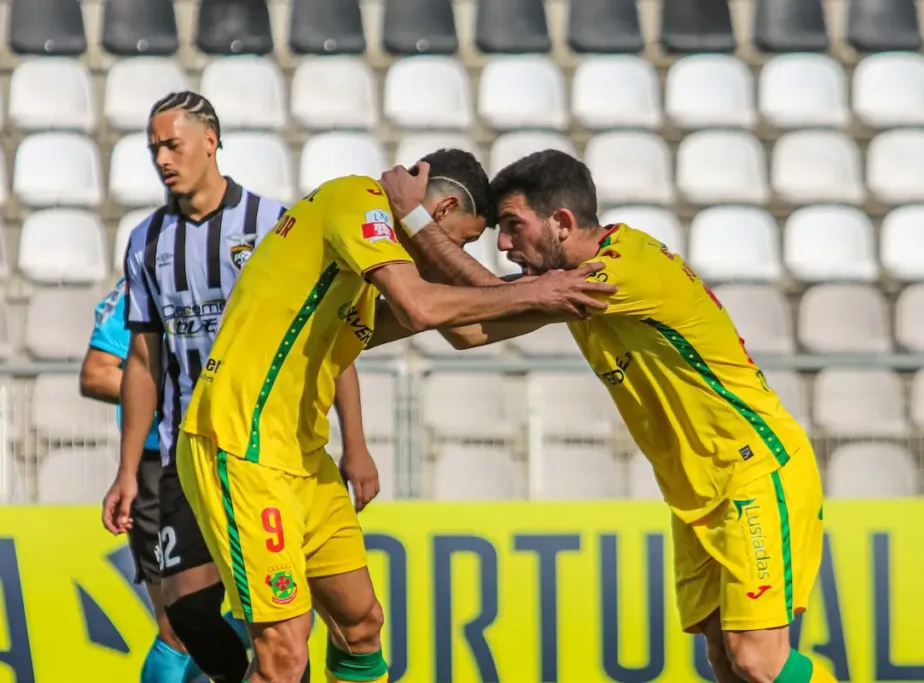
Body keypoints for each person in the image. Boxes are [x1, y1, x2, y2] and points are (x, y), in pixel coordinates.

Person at [371, 149, 838, 683]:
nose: (502, 244)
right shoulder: (573, 286)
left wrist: (412, 221)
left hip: (753, 470)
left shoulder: (623, 267)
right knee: (725, 661)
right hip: (698, 491)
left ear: (562, 223)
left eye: (513, 226)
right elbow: (469, 329)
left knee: (759, 659)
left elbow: (492, 297)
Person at [173, 148, 616, 683]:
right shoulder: (356, 198)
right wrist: (537, 290)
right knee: (284, 653)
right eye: (467, 240)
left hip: (303, 458)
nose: (455, 254)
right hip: (243, 445)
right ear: (444, 206)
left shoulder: (358, 279)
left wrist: (556, 304)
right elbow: (424, 306)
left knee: (361, 624)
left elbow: (464, 328)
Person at [99, 90, 313, 683]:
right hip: (187, 457)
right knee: (187, 615)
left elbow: (325, 341)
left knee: (290, 624)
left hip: (267, 453)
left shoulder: (273, 226)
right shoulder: (146, 241)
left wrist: (356, 442)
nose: (163, 159)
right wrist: (125, 470)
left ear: (211, 141)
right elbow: (143, 361)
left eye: (173, 144)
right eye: (154, 149)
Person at [82, 280, 206, 683]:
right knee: (179, 631)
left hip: (231, 460)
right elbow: (97, 374)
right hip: (160, 468)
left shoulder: (237, 265)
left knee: (266, 623)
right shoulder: (144, 282)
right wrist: (181, 397)